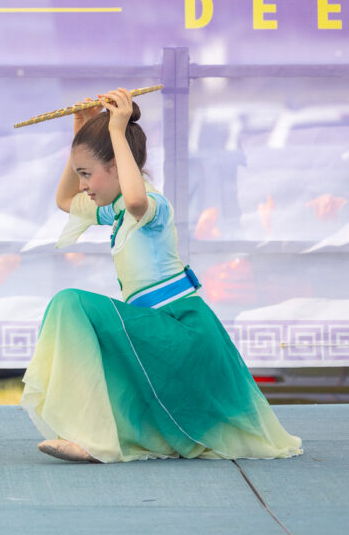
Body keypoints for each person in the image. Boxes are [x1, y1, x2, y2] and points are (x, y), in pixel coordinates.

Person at [21, 87, 302, 463]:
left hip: (181, 331)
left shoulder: (152, 206)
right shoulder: (116, 211)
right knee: (79, 314)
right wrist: (80, 133)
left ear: (118, 168)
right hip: (157, 331)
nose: (83, 185)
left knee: (70, 304)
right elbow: (65, 202)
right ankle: (92, 436)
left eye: (87, 174)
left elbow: (136, 199)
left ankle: (93, 439)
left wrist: (117, 132)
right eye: (80, 174)